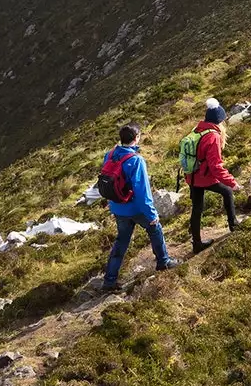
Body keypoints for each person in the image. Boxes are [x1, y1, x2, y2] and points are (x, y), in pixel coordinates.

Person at [101, 123, 177, 290]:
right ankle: (163, 261)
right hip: (134, 208)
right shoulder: (136, 161)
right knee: (155, 229)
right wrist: (151, 215)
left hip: (118, 207)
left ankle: (109, 280)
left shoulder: (110, 154)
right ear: (136, 138)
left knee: (121, 241)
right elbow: (142, 191)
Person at [185, 97, 239, 254]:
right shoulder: (213, 136)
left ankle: (196, 243)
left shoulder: (198, 129)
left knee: (197, 209)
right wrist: (232, 182)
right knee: (227, 191)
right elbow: (216, 167)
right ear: (220, 120)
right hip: (204, 176)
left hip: (192, 176)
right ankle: (233, 225)